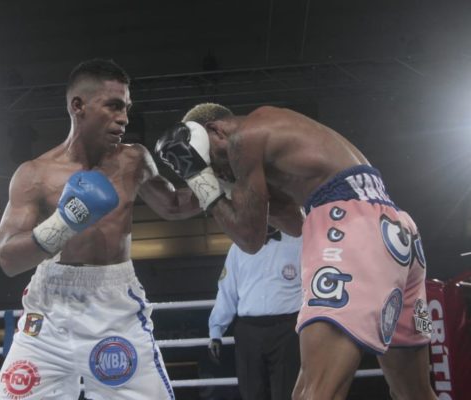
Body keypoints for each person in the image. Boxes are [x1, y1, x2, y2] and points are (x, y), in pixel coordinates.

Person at [156, 103, 437, 400]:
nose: (221, 171)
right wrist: (225, 185)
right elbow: (296, 224)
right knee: (415, 394)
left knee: (314, 394)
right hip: (396, 230)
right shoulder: (279, 140)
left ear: (215, 130)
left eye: (214, 161)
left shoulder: (243, 137)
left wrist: (199, 177)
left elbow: (249, 239)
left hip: (348, 226)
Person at [0, 59, 201, 400]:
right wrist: (64, 223)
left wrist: (211, 176)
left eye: (127, 108)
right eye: (114, 106)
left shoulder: (134, 160)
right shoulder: (34, 174)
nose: (124, 118)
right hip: (50, 311)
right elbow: (8, 259)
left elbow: (175, 205)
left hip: (115, 306)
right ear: (78, 106)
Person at [208, 225, 302, 400]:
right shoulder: (238, 247)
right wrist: (216, 331)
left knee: (287, 392)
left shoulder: (299, 242)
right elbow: (227, 291)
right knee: (251, 392)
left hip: (288, 329)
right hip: (249, 331)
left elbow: (311, 285)